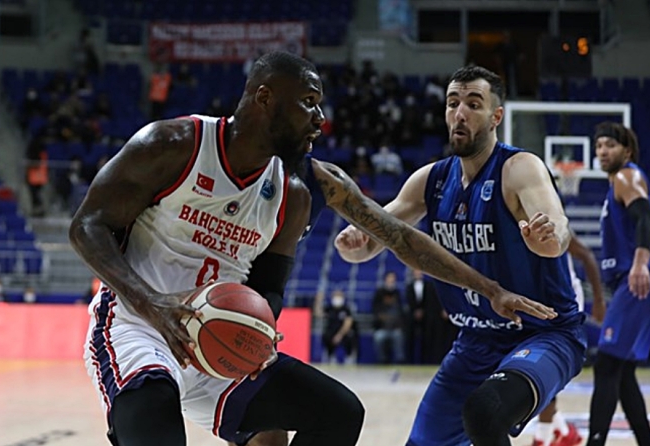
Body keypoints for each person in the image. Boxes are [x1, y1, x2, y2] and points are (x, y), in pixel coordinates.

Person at [70, 53, 555, 446]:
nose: (321, 119)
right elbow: (86, 226)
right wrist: (152, 304)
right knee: (157, 423)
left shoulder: (299, 191)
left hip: (213, 343)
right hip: (141, 327)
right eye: (308, 103)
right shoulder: (174, 144)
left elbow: (390, 242)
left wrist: (257, 334)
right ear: (265, 99)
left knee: (336, 413)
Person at [335, 65, 586, 446]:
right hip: (475, 340)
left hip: (544, 334)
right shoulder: (431, 180)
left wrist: (546, 238)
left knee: (485, 412)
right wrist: (353, 243)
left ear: (496, 116)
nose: (460, 113)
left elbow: (557, 230)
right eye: (453, 103)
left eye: (473, 103)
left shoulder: (520, 168)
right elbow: (372, 242)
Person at [586, 121, 650, 446]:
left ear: (627, 151)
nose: (603, 151)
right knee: (622, 370)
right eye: (599, 146)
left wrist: (640, 262)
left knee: (606, 363)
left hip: (640, 277)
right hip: (637, 278)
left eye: (610, 145)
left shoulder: (626, 177)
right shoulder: (617, 184)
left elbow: (646, 217)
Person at [532, 233, 605, 446]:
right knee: (532, 364)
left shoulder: (551, 224)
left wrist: (598, 300)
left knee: (543, 363)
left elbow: (587, 255)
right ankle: (563, 431)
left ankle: (543, 437)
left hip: (563, 302)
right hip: (537, 299)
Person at [315, 289, 358, 364]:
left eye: (339, 296)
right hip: (332, 331)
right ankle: (330, 356)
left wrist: (339, 335)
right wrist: (318, 301)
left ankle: (349, 356)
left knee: (350, 336)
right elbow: (318, 313)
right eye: (335, 296)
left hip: (343, 332)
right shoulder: (330, 308)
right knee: (326, 336)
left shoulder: (346, 309)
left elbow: (348, 323)